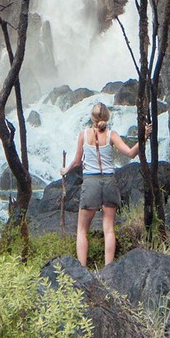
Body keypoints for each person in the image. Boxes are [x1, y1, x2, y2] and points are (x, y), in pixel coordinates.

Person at [62, 102, 149, 267]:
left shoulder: (83, 134)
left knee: (82, 230)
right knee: (109, 229)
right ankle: (109, 269)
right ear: (107, 117)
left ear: (92, 117)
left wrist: (65, 170)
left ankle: (82, 269)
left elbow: (77, 162)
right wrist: (143, 137)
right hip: (109, 181)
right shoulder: (112, 135)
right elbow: (131, 153)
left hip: (90, 183)